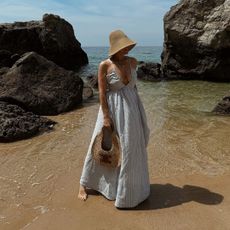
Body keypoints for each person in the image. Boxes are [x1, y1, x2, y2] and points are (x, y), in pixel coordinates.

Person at [78, 29, 150, 208]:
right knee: (101, 144)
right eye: (123, 46)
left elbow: (134, 89)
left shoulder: (133, 62)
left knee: (131, 148)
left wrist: (140, 112)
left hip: (132, 108)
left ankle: (131, 190)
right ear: (115, 47)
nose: (127, 49)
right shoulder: (104, 65)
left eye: (127, 46)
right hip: (113, 109)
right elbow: (102, 93)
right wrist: (106, 117)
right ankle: (84, 184)